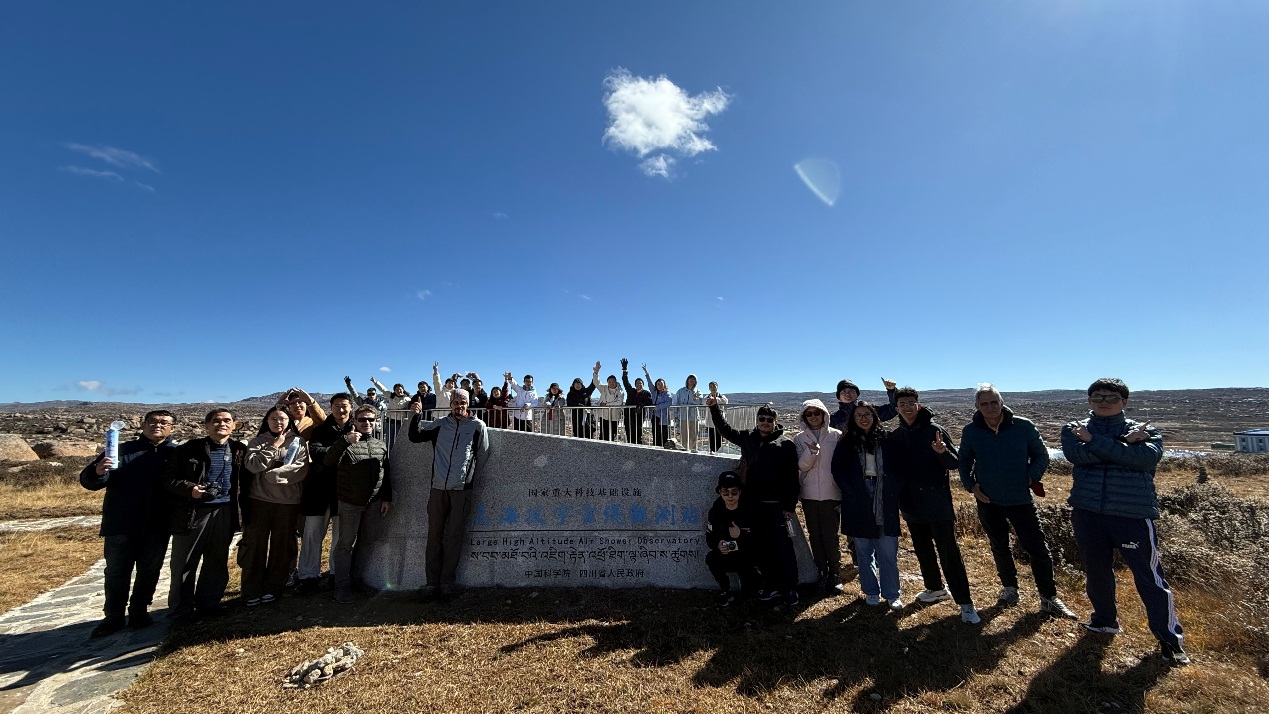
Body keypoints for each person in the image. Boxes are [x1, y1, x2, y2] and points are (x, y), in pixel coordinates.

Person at [1061, 378, 1189, 664]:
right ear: (1089, 400)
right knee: (1096, 571)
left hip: (1132, 514)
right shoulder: (1074, 428)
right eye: (1097, 397)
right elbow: (1077, 456)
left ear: (1124, 402)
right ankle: (1104, 621)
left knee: (1149, 576)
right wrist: (1122, 445)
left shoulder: (1145, 430)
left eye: (1111, 398)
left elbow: (1143, 460)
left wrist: (1094, 442)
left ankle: (1170, 640)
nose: (1104, 402)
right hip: (1088, 512)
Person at [959, 383, 1077, 619]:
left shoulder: (1023, 426)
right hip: (988, 500)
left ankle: (1049, 597)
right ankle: (1010, 589)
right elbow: (964, 460)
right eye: (984, 403)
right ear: (977, 406)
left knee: (1037, 547)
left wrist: (1031, 477)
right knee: (999, 545)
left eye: (994, 402)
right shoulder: (971, 431)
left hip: (1020, 499)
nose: (990, 407)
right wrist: (971, 485)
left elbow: (1041, 455)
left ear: (1002, 402)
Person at [78, 410, 177, 637]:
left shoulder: (175, 454)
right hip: (121, 522)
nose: (158, 426)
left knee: (149, 570)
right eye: (152, 422)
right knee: (116, 572)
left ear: (173, 428)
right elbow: (90, 481)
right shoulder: (120, 450)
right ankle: (113, 616)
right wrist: (97, 472)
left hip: (157, 524)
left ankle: (139, 611)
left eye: (164, 423)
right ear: (143, 425)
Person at [886, 387, 976, 616]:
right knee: (923, 549)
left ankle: (966, 603)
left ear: (918, 405)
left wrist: (941, 452)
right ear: (896, 408)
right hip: (910, 503)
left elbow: (954, 463)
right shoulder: (896, 436)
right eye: (902, 404)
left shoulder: (935, 431)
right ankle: (935, 588)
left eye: (911, 403)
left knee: (948, 552)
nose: (907, 408)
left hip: (937, 502)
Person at [708, 398, 800, 606]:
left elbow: (791, 478)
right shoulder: (747, 438)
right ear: (757, 421)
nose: (765, 423)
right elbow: (725, 430)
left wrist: (789, 505)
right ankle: (770, 585)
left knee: (782, 546)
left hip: (775, 505)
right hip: (752, 504)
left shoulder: (786, 444)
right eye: (762, 419)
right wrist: (714, 408)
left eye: (769, 420)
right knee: (761, 547)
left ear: (775, 422)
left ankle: (790, 587)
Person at [831, 402, 920, 615]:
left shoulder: (887, 440)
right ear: (853, 419)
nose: (864, 418)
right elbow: (837, 469)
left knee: (888, 550)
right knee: (863, 550)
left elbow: (901, 468)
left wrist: (894, 488)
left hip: (884, 494)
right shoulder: (846, 443)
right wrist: (849, 491)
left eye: (867, 414)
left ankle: (892, 594)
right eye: (859, 415)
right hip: (857, 496)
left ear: (874, 417)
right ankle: (871, 591)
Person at [164, 409, 248, 620]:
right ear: (207, 425)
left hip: (225, 510)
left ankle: (209, 603)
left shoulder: (239, 449)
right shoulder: (189, 449)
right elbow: (168, 479)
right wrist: (190, 489)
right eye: (216, 421)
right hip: (194, 511)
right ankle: (180, 610)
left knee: (217, 559)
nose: (222, 424)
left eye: (227, 420)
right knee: (184, 562)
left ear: (234, 425)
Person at [409, 389, 490, 602]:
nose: (458, 405)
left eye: (462, 402)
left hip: (462, 490)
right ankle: (431, 583)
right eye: (455, 402)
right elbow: (415, 437)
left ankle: (447, 583)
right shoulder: (439, 425)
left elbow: (483, 455)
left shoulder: (477, 426)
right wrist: (416, 415)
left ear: (468, 404)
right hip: (438, 488)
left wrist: (469, 479)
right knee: (434, 536)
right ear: (450, 404)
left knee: (454, 537)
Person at [242, 406, 310, 606]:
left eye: (282, 419)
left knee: (281, 546)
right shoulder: (257, 441)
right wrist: (273, 447)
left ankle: (274, 587)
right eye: (273, 419)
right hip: (260, 501)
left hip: (287, 502)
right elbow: (252, 465)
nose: (278, 423)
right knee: (255, 546)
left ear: (289, 421)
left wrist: (273, 475)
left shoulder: (298, 442)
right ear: (267, 421)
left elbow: (300, 468)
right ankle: (251, 589)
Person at [326, 405, 392, 603]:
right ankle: (341, 586)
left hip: (374, 502)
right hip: (350, 503)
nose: (367, 423)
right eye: (362, 419)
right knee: (345, 545)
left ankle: (357, 580)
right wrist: (345, 441)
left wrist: (387, 498)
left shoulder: (380, 445)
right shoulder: (346, 441)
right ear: (355, 421)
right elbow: (328, 461)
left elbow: (386, 473)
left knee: (366, 542)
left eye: (371, 419)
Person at [296, 393, 353, 594]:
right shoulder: (320, 430)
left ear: (351, 407)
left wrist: (331, 453)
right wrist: (342, 447)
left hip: (345, 489)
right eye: (336, 406)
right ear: (331, 408)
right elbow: (316, 453)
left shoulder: (358, 428)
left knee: (340, 535)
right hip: (319, 488)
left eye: (344, 406)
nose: (341, 410)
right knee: (312, 533)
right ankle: (308, 576)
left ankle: (336, 574)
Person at [793, 399, 844, 594]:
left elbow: (842, 464)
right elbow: (801, 466)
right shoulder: (799, 439)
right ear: (804, 417)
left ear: (824, 414)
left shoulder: (836, 436)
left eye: (817, 413)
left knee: (831, 535)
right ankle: (821, 572)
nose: (813, 416)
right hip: (810, 495)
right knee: (815, 535)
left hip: (832, 493)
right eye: (809, 414)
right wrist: (811, 452)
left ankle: (835, 573)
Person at [705, 471, 760, 606]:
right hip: (726, 552)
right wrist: (718, 544)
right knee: (712, 558)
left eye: (734, 492)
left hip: (747, 553)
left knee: (749, 562)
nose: (730, 496)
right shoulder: (715, 511)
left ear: (740, 492)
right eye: (725, 492)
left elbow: (761, 537)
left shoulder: (750, 510)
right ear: (720, 492)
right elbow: (710, 536)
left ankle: (750, 588)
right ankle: (726, 589)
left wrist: (741, 535)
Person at [830, 378, 899, 430]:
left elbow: (894, 409)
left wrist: (891, 390)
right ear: (839, 397)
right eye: (843, 392)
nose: (848, 394)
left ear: (857, 394)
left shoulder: (871, 410)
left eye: (851, 390)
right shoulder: (833, 419)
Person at [591, 361, 625, 442]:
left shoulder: (620, 391)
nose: (611, 383)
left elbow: (618, 403)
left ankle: (611, 447)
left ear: (616, 382)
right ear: (607, 383)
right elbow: (596, 382)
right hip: (604, 415)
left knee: (612, 434)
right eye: (609, 382)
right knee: (603, 434)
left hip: (614, 416)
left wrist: (606, 404)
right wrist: (596, 372)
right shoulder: (603, 388)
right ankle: (602, 447)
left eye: (613, 381)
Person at [621, 359, 652, 444]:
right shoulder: (631, 391)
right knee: (629, 434)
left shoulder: (646, 393)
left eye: (640, 383)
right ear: (635, 385)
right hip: (628, 416)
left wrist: (641, 404)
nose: (639, 384)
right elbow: (625, 381)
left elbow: (649, 401)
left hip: (638, 417)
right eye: (637, 383)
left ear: (643, 384)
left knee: (638, 435)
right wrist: (624, 369)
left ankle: (638, 450)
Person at [643, 364, 673, 447]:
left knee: (664, 435)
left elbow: (669, 402)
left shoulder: (667, 393)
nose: (660, 386)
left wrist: (658, 407)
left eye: (661, 384)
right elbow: (649, 383)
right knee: (656, 434)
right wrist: (646, 372)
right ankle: (656, 450)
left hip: (664, 417)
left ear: (664, 385)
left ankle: (663, 450)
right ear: (656, 385)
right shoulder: (654, 392)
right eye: (658, 384)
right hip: (655, 416)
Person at [674, 374, 703, 451]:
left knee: (694, 434)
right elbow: (676, 403)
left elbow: (700, 402)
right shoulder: (680, 391)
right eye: (690, 379)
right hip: (683, 415)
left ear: (695, 381)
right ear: (687, 380)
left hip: (694, 416)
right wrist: (676, 414)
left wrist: (695, 399)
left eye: (693, 379)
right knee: (684, 434)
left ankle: (693, 450)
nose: (691, 380)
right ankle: (684, 449)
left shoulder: (698, 391)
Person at [704, 381, 729, 453]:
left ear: (717, 387)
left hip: (719, 422)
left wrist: (715, 399)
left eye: (714, 386)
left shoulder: (722, 396)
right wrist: (711, 400)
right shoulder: (706, 397)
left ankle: (718, 453)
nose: (712, 388)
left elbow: (725, 401)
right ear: (709, 388)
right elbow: (704, 402)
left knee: (719, 439)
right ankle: (712, 452)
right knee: (711, 438)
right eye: (711, 386)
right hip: (710, 422)